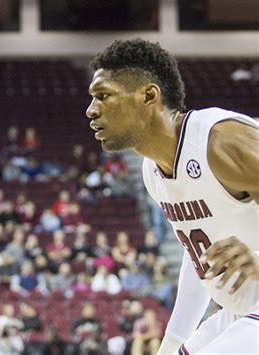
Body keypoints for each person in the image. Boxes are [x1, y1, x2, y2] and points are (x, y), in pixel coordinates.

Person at [86, 38, 258, 354]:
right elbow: (197, 261)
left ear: (149, 96)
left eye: (103, 96)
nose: (91, 110)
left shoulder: (221, 141)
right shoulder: (152, 173)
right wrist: (173, 343)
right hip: (241, 310)